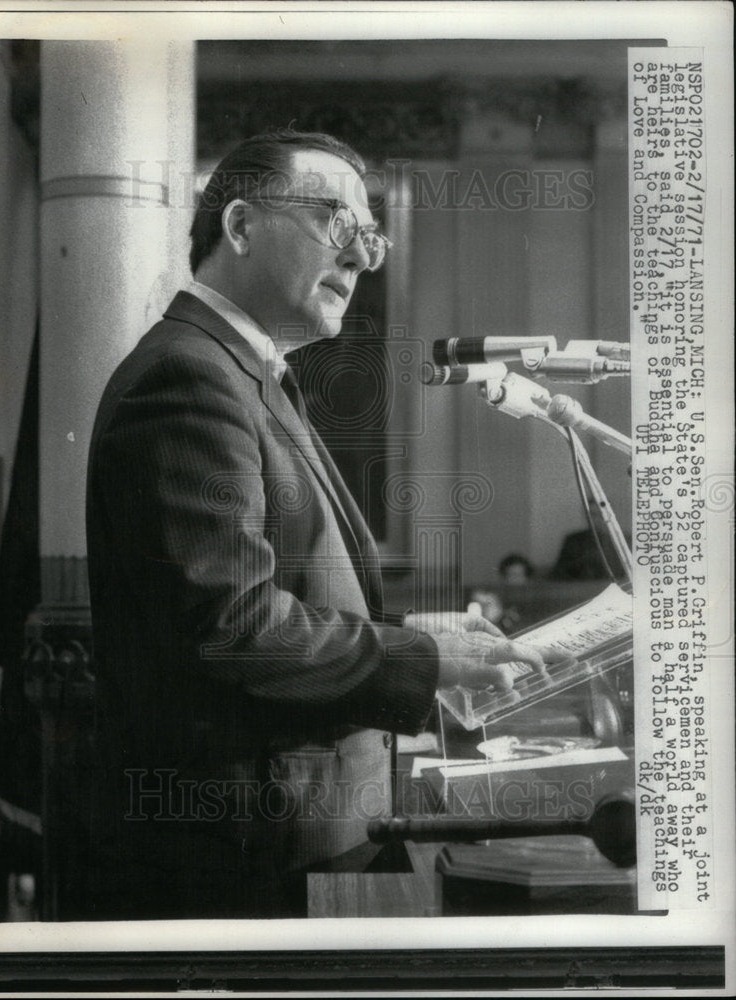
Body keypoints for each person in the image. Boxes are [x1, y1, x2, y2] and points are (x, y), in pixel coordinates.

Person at [83, 128, 553, 919]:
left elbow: (276, 594)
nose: (364, 259)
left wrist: (417, 632)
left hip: (307, 826)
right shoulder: (187, 378)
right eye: (338, 225)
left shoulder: (240, 370)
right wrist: (419, 654)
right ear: (239, 227)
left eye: (371, 235)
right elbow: (235, 627)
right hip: (254, 853)